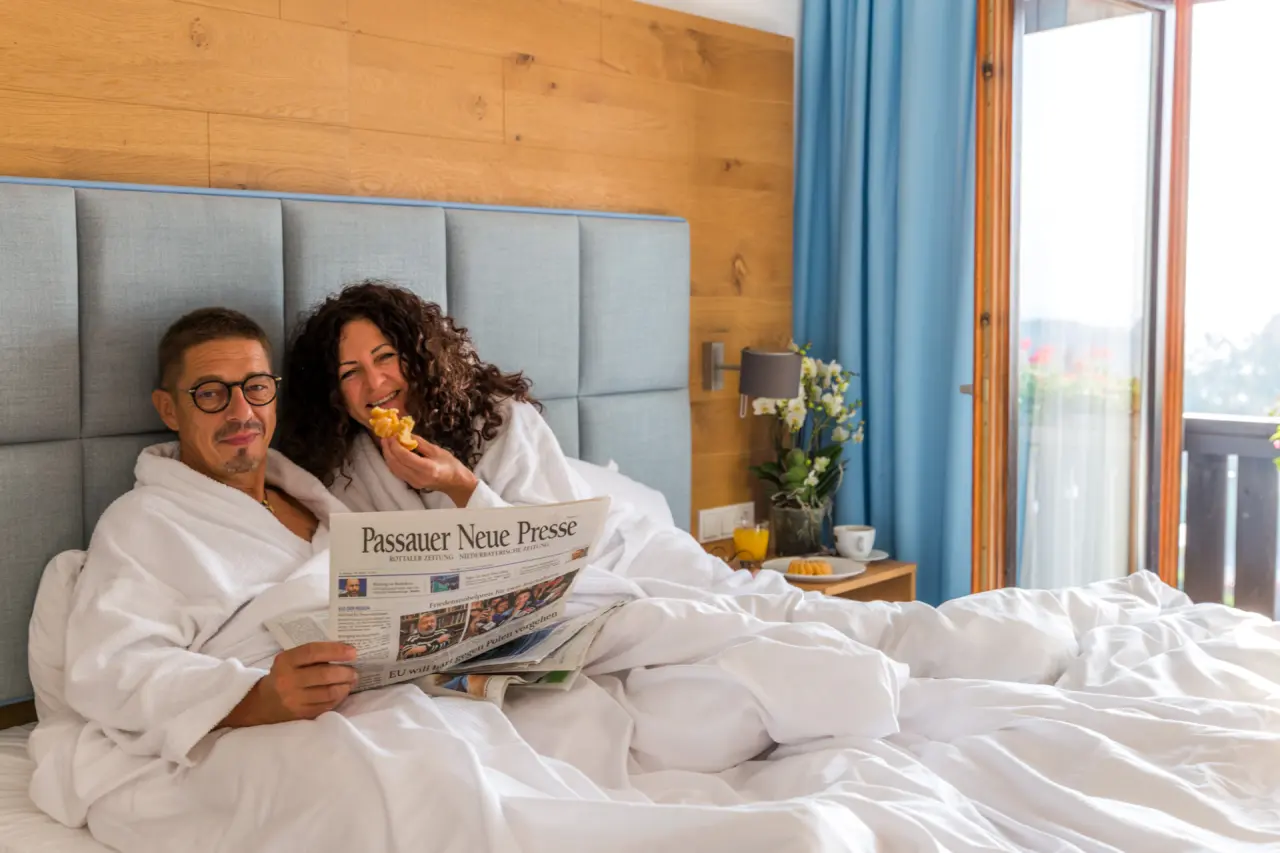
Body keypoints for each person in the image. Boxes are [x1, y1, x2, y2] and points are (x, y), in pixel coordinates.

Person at [41, 308, 362, 834]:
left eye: (256, 387)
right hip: (245, 728)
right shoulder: (142, 521)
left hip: (363, 695)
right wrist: (256, 699)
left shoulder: (317, 500)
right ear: (169, 409)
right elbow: (111, 668)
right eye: (211, 393)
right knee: (376, 781)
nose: (242, 412)